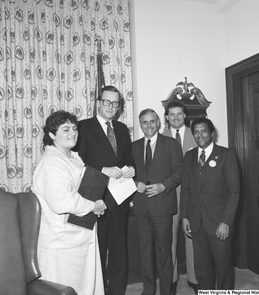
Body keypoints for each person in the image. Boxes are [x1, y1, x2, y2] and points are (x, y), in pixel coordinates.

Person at [32, 110, 106, 295]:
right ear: (51, 134)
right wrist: (93, 206)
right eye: (65, 129)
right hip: (62, 243)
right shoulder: (51, 162)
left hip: (80, 235)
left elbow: (84, 187)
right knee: (65, 288)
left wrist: (96, 199)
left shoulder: (74, 157)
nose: (72, 133)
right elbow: (62, 201)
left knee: (85, 287)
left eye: (74, 128)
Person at [74, 85, 135, 295]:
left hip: (119, 199)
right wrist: (102, 170)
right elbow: (76, 164)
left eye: (115, 103)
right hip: (95, 199)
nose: (111, 106)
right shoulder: (82, 127)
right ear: (98, 102)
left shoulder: (121, 129)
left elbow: (127, 158)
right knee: (96, 252)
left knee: (119, 252)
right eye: (107, 101)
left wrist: (131, 168)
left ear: (119, 106)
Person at [180, 117, 240, 290]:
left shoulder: (226, 155)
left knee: (223, 268)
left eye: (204, 131)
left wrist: (226, 222)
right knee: (202, 268)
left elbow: (234, 192)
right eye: (196, 132)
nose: (200, 135)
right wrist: (184, 217)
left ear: (212, 133)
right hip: (197, 223)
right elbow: (186, 190)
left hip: (219, 223)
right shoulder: (189, 156)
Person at [132, 109, 183, 295]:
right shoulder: (134, 146)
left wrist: (163, 186)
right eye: (144, 122)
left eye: (152, 121)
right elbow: (129, 173)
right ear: (140, 125)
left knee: (164, 254)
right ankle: (148, 291)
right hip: (141, 208)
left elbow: (179, 171)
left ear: (158, 123)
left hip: (162, 206)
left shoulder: (171, 144)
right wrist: (134, 183)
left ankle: (167, 291)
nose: (149, 126)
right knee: (145, 254)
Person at [162, 100, 198, 294]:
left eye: (179, 114)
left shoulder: (197, 134)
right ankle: (172, 279)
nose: (176, 117)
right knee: (170, 242)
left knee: (193, 239)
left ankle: (194, 279)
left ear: (185, 116)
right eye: (172, 114)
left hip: (192, 196)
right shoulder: (161, 138)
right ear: (167, 117)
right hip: (169, 197)